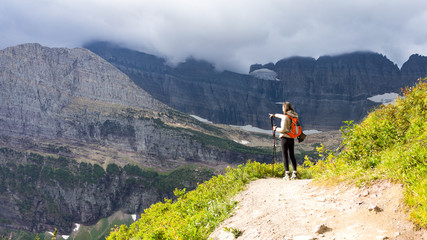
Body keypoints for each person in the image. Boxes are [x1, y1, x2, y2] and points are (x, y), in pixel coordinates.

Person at [269, 102, 299, 180]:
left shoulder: (285, 117)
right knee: (292, 155)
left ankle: (287, 174)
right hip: (291, 138)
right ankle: (295, 173)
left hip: (285, 138)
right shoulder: (294, 116)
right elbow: (282, 116)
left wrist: (276, 129)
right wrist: (274, 115)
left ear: (284, 108)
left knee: (285, 155)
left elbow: (283, 130)